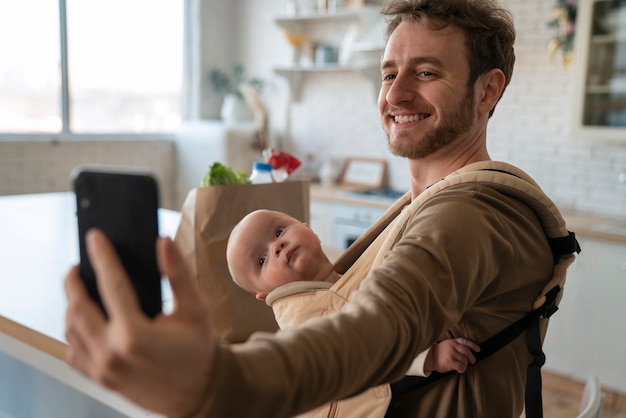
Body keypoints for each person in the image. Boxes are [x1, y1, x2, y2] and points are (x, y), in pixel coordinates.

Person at [63, 1, 577, 417]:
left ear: (487, 90)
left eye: (425, 72)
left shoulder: (473, 210)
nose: (396, 93)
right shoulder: (424, 201)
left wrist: (219, 384)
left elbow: (375, 330)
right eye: (389, 73)